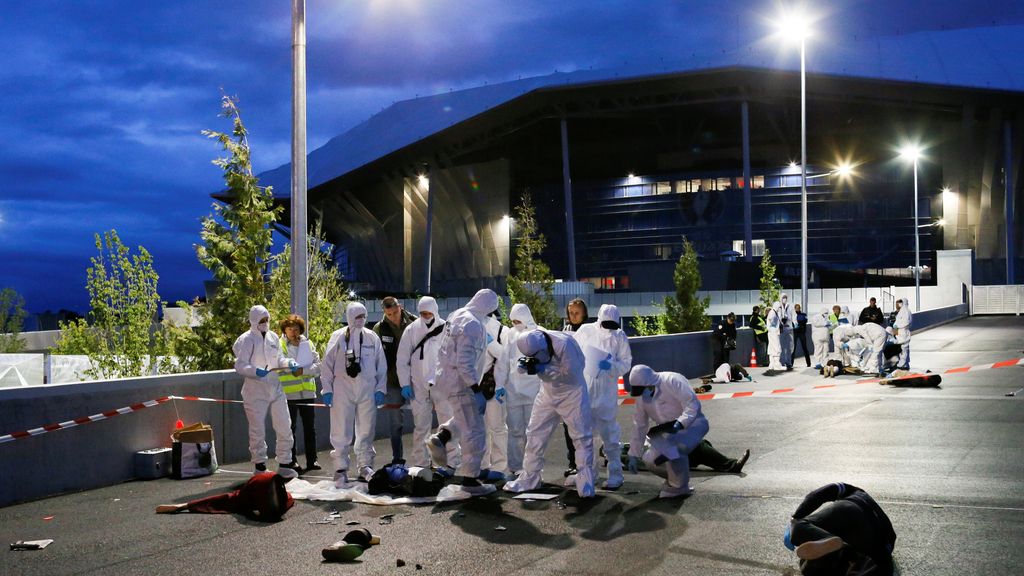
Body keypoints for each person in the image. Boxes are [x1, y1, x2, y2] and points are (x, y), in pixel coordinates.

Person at [503, 328, 596, 498]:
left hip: (572, 393)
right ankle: (530, 477)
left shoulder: (564, 344)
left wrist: (541, 369)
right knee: (534, 433)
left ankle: (585, 480)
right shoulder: (533, 341)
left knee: (581, 437)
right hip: (547, 393)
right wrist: (524, 365)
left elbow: (571, 373)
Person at [424, 289, 500, 495]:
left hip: (446, 379)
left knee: (463, 417)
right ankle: (470, 479)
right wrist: (475, 389)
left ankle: (443, 435)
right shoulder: (473, 324)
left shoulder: (457, 315)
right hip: (461, 383)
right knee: (475, 431)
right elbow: (464, 362)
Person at [321, 302, 388, 488]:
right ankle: (340, 468)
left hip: (367, 389)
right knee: (341, 429)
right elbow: (326, 366)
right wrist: (327, 389)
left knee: (366, 429)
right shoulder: (338, 337)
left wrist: (380, 389)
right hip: (342, 389)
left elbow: (380, 365)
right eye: (357, 316)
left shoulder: (371, 338)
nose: (361, 320)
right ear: (350, 316)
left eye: (363, 316)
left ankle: (365, 465)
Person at [232, 305, 301, 478]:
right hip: (255, 390)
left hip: (275, 387)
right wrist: (255, 371)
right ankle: (260, 466)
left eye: (267, 320)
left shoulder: (273, 337)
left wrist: (288, 363)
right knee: (257, 429)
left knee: (284, 425)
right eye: (261, 321)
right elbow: (240, 365)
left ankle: (285, 463)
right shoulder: (246, 340)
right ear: (254, 321)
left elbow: (278, 359)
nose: (265, 323)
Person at [624, 364, 709, 498]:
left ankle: (679, 486)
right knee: (649, 459)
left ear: (651, 383)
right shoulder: (642, 397)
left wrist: (680, 424)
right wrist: (633, 454)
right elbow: (639, 425)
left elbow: (692, 405)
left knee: (674, 447)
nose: (643, 394)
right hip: (667, 433)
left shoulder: (673, 380)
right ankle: (678, 482)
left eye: (643, 389)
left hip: (693, 425)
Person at [396, 296, 460, 470]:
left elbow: (454, 355)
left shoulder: (446, 328)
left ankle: (451, 463)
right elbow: (402, 359)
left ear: (435, 311)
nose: (426, 316)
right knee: (421, 426)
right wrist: (405, 384)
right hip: (418, 385)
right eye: (422, 313)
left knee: (446, 424)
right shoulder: (412, 330)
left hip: (441, 383)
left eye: (428, 313)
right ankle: (421, 463)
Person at [575, 304, 632, 489]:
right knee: (587, 437)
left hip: (606, 392)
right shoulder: (585, 331)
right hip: (587, 390)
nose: (609, 328)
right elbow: (572, 351)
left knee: (610, 436)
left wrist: (612, 367)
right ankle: (588, 474)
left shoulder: (619, 336)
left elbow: (626, 362)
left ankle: (616, 475)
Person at [783, 482, 896, 575]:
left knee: (800, 528)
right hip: (883, 548)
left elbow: (821, 493)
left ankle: (841, 549)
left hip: (852, 509)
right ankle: (848, 556)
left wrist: (796, 517)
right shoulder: (868, 500)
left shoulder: (852, 491)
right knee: (822, 563)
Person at [495, 303, 543, 477]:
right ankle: (515, 467)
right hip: (513, 390)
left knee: (533, 431)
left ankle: (533, 467)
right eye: (513, 321)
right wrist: (500, 384)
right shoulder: (510, 334)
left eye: (518, 320)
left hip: (533, 390)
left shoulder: (539, 333)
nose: (516, 323)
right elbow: (503, 361)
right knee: (515, 431)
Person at [373, 296, 417, 465]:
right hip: (392, 380)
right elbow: (377, 356)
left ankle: (425, 459)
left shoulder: (414, 322)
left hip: (414, 378)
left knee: (421, 420)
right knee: (395, 422)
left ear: (401, 307)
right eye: (389, 314)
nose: (393, 317)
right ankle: (397, 458)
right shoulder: (380, 328)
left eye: (395, 312)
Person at [278, 314, 322, 472]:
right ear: (284, 330)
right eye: (289, 329)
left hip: (307, 393)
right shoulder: (280, 344)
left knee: (310, 428)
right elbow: (280, 364)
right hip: (289, 393)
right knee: (291, 428)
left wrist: (304, 371)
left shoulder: (307, 343)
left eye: (295, 329)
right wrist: (294, 368)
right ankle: (292, 460)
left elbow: (318, 366)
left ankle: (312, 460)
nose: (293, 332)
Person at [155, 472, 293, 522]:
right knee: (232, 499)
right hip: (259, 487)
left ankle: (186, 505)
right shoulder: (247, 496)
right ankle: (186, 505)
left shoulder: (245, 496)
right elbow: (287, 500)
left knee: (232, 499)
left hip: (260, 485)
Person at [558, 297, 589, 478]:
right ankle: (574, 463)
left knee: (587, 429)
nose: (573, 315)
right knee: (569, 428)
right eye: (571, 313)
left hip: (587, 384)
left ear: (584, 313)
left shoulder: (590, 331)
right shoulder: (565, 331)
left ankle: (587, 464)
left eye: (577, 312)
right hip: (569, 387)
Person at [479, 311, 510, 479]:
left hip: (494, 385)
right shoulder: (474, 328)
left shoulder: (502, 331)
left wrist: (490, 343)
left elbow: (504, 356)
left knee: (497, 427)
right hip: (476, 386)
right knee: (480, 429)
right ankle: (483, 464)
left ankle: (499, 466)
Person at [765, 301, 785, 376]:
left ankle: (772, 364)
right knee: (777, 347)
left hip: (772, 332)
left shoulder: (773, 312)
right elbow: (772, 321)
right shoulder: (773, 313)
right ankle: (777, 365)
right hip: (773, 332)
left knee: (772, 348)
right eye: (779, 307)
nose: (780, 308)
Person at [892, 298, 912, 370]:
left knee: (904, 349)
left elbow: (906, 322)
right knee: (903, 349)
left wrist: (898, 326)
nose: (899, 304)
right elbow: (898, 320)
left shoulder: (906, 311)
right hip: (900, 332)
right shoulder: (902, 311)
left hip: (903, 332)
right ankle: (904, 363)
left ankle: (902, 364)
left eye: (901, 302)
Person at [779, 293, 796, 370]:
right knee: (781, 347)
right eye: (783, 297)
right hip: (781, 329)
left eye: (785, 297)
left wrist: (795, 323)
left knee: (789, 347)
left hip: (789, 328)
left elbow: (794, 316)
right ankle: (782, 362)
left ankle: (788, 362)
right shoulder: (778, 306)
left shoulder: (790, 306)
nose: (784, 299)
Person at [793, 304, 811, 368]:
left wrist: (799, 322)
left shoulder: (804, 314)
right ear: (795, 308)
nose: (797, 309)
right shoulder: (793, 315)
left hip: (802, 333)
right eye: (796, 308)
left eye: (798, 308)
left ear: (800, 308)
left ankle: (808, 363)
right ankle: (791, 363)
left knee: (805, 348)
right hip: (795, 333)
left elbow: (805, 321)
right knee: (793, 348)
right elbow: (792, 323)